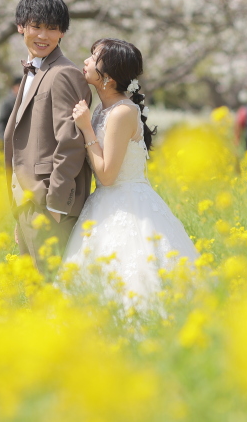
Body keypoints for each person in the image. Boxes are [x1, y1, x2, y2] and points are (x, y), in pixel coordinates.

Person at [64, 38, 199, 305]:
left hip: (126, 204)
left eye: (94, 57)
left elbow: (107, 175)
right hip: (104, 203)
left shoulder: (122, 112)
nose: (86, 61)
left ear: (110, 75)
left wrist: (86, 128)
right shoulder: (103, 109)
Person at [3, 0, 93, 273]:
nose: (43, 35)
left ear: (62, 32)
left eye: (52, 28)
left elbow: (71, 141)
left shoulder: (64, 74)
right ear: (21, 26)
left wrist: (55, 204)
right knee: (35, 294)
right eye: (36, 26)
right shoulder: (34, 70)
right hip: (26, 203)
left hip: (48, 203)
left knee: (51, 291)